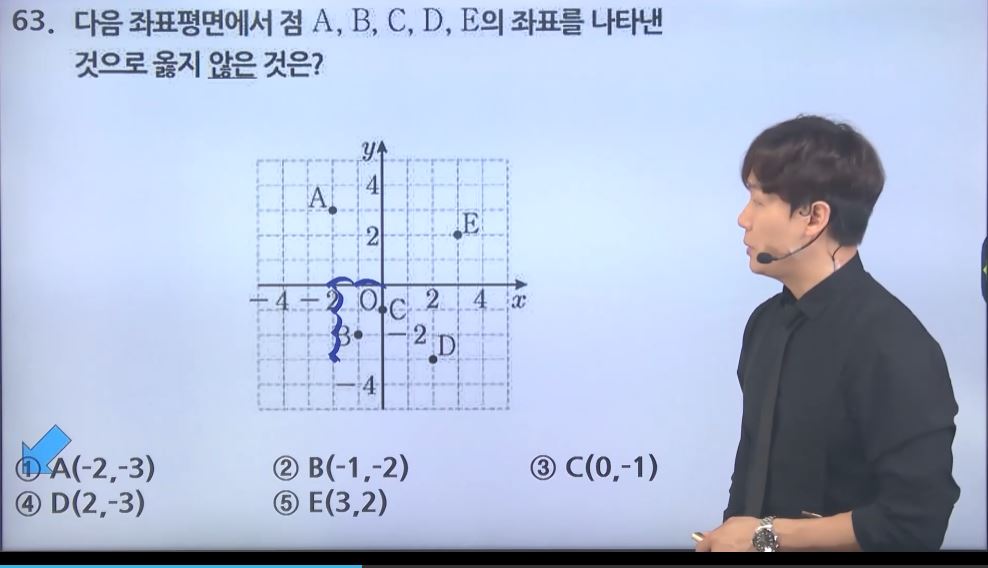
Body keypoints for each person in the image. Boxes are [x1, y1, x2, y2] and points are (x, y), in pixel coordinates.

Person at [695, 115, 960, 552]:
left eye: (759, 200)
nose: (743, 219)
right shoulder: (765, 325)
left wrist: (764, 537)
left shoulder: (894, 344)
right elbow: (751, 482)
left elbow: (916, 521)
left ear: (814, 217)